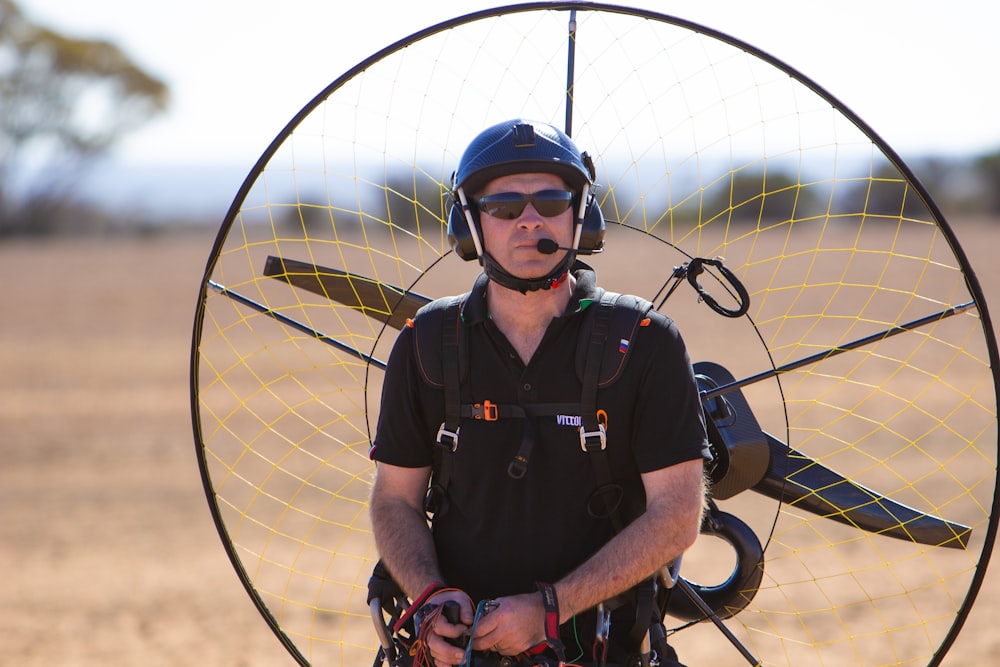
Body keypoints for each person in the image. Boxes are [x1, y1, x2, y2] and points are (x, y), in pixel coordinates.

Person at [369, 119, 711, 667]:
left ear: (580, 216)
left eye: (551, 202)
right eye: (504, 207)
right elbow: (393, 501)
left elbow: (677, 514)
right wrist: (431, 596)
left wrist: (551, 609)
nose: (530, 221)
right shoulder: (426, 343)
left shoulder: (644, 341)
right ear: (470, 224)